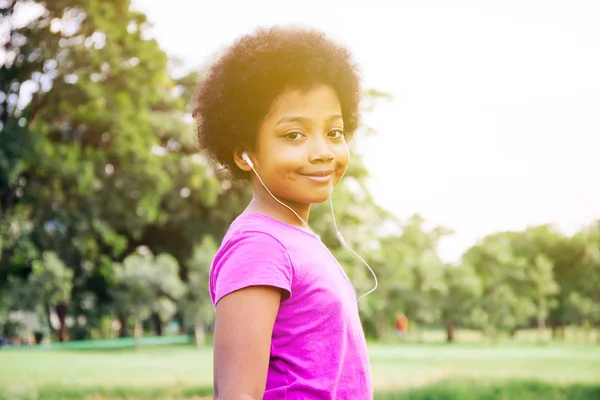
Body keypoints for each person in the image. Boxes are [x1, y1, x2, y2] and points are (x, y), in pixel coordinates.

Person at [194, 25, 372, 399]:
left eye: (335, 132)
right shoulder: (259, 247)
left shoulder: (296, 240)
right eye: (294, 135)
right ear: (244, 152)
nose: (323, 151)